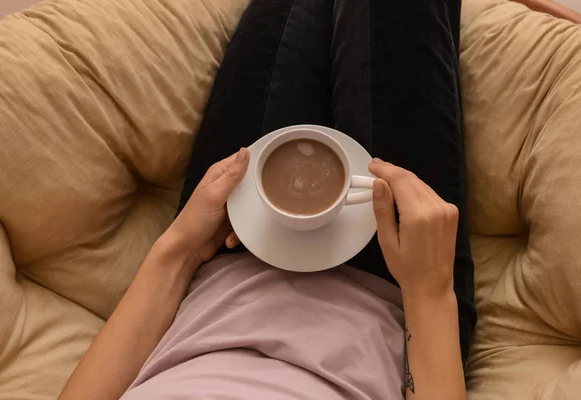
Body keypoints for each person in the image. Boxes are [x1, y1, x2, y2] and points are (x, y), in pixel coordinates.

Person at [59, 0, 476, 398]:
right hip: (398, 293)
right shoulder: (418, 290)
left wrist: (182, 248)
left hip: (227, 250)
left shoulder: (201, 244)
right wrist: (429, 291)